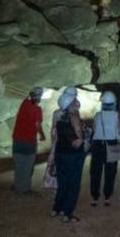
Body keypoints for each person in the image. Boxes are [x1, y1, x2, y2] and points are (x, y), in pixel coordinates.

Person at [51, 93, 86, 223]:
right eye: (74, 100)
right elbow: (78, 138)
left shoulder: (59, 117)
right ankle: (67, 213)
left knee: (62, 183)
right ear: (70, 103)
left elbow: (56, 135)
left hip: (60, 153)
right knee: (73, 184)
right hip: (73, 155)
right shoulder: (74, 116)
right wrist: (82, 136)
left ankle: (56, 209)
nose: (77, 102)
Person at [89, 91, 120, 207]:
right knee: (111, 171)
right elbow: (119, 130)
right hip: (113, 144)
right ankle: (107, 197)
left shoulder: (97, 115)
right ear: (114, 103)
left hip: (98, 144)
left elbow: (94, 129)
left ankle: (94, 197)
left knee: (95, 171)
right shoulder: (116, 115)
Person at [11, 87, 45, 194]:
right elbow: (37, 124)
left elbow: (28, 97)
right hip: (29, 141)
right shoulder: (37, 110)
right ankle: (24, 189)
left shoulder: (24, 104)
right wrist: (42, 135)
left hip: (17, 140)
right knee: (27, 166)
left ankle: (17, 186)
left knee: (18, 164)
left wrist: (33, 93)